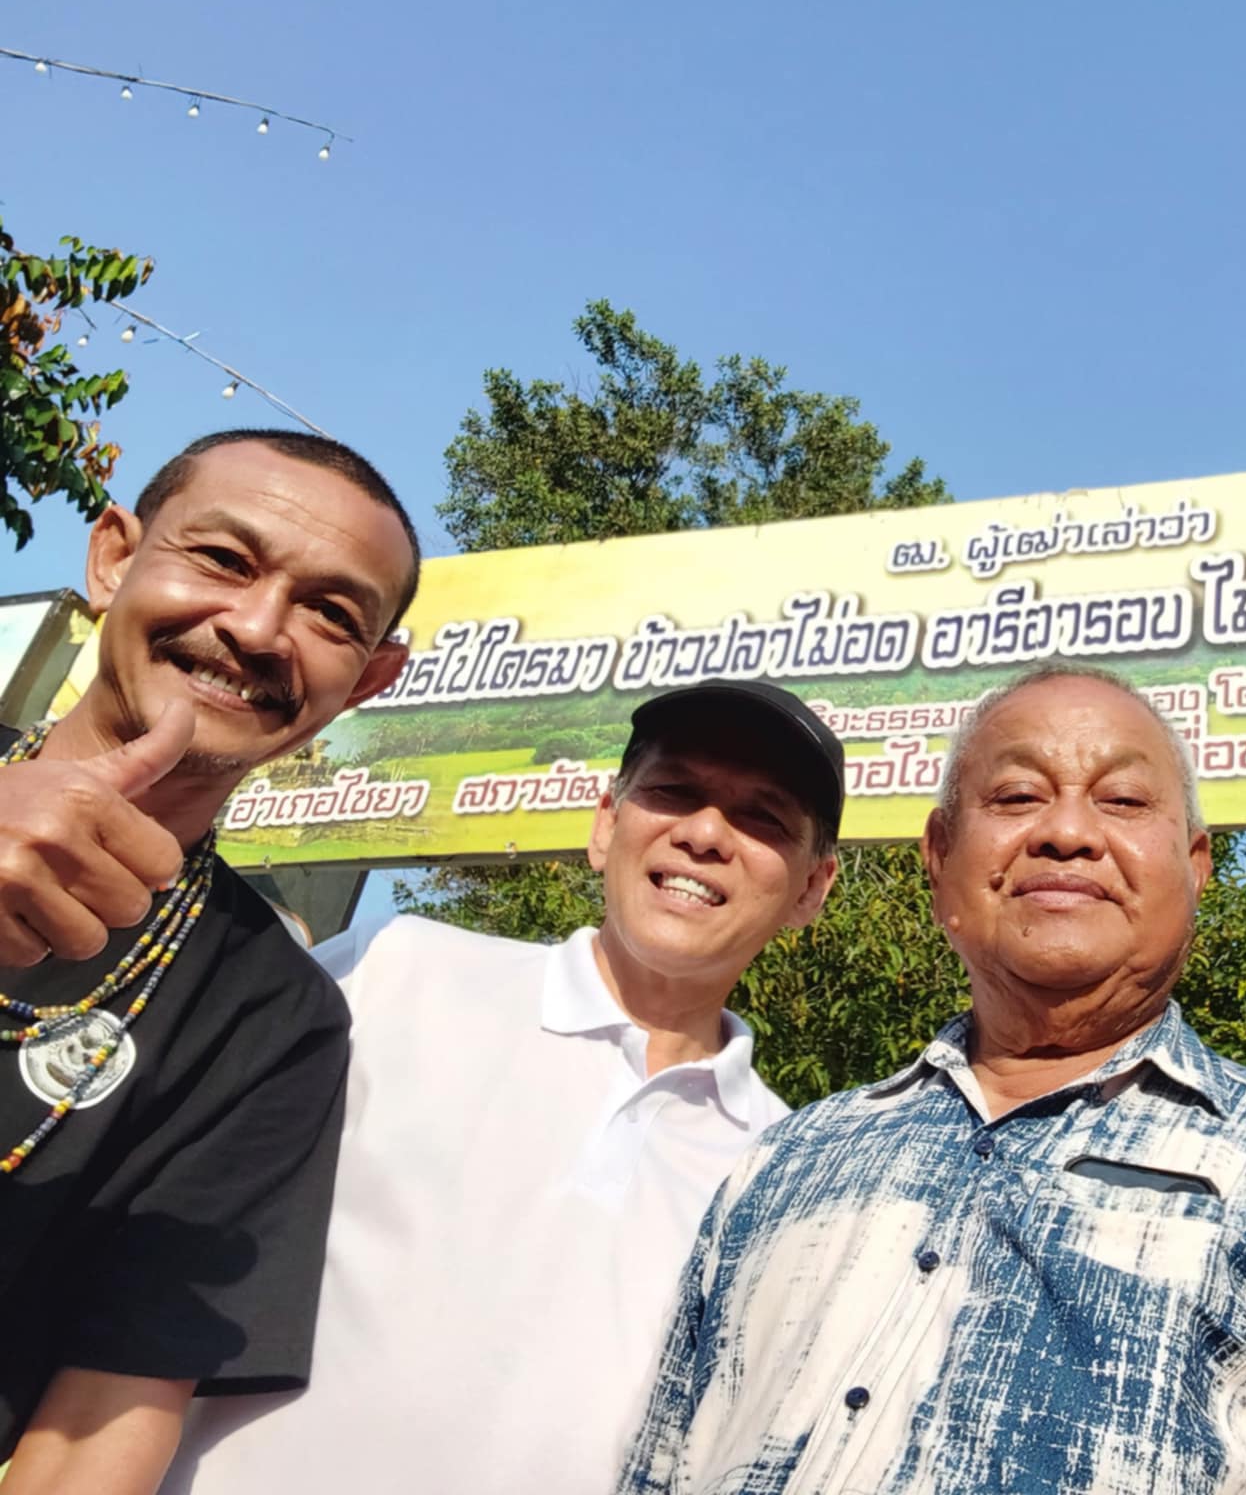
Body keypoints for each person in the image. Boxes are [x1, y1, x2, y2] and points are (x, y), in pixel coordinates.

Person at [617, 665, 1246, 1495]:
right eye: (1017, 795)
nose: (1066, 832)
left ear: (1194, 868)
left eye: (1125, 801)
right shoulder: (786, 1161)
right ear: (939, 860)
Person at [163, 680, 844, 1493]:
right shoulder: (391, 972)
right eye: (673, 790)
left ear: (812, 889)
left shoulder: (789, 1177)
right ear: (605, 824)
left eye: (762, 818)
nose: (703, 834)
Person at [0, 429, 418, 1492]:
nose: (257, 628)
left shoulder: (276, 1020)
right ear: (113, 557)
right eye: (224, 560)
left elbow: (97, 1431)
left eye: (332, 615)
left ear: (368, 680)